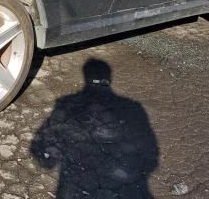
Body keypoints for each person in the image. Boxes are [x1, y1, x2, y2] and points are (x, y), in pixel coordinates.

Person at [30, 59, 159, 198]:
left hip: (75, 189)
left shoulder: (67, 104)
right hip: (121, 189)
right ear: (108, 79)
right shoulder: (132, 108)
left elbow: (42, 148)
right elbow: (151, 155)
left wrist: (50, 159)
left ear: (86, 77)